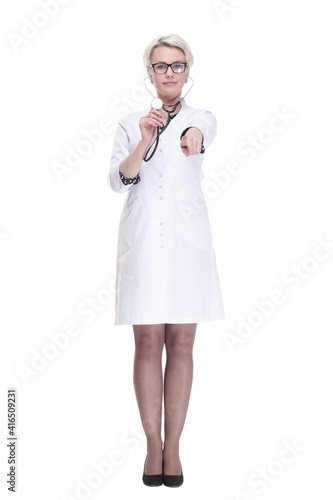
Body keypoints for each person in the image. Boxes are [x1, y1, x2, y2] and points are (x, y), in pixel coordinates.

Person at [107, 34, 225, 487]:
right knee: (148, 342)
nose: (169, 73)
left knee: (181, 344)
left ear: (188, 72)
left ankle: (173, 449)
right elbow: (119, 180)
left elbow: (202, 135)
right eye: (161, 66)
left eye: (177, 65)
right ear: (150, 74)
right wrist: (146, 138)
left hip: (186, 244)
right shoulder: (131, 121)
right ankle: (151, 444)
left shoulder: (202, 118)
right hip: (143, 242)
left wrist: (190, 135)